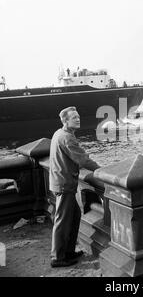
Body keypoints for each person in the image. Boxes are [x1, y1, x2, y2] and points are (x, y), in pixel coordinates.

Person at [49, 106, 100, 268]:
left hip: (61, 182)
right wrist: (102, 170)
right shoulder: (68, 138)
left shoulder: (59, 133)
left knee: (74, 216)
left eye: (78, 116)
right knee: (63, 221)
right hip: (64, 185)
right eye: (74, 118)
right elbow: (83, 160)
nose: (78, 119)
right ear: (65, 121)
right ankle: (57, 257)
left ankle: (68, 252)